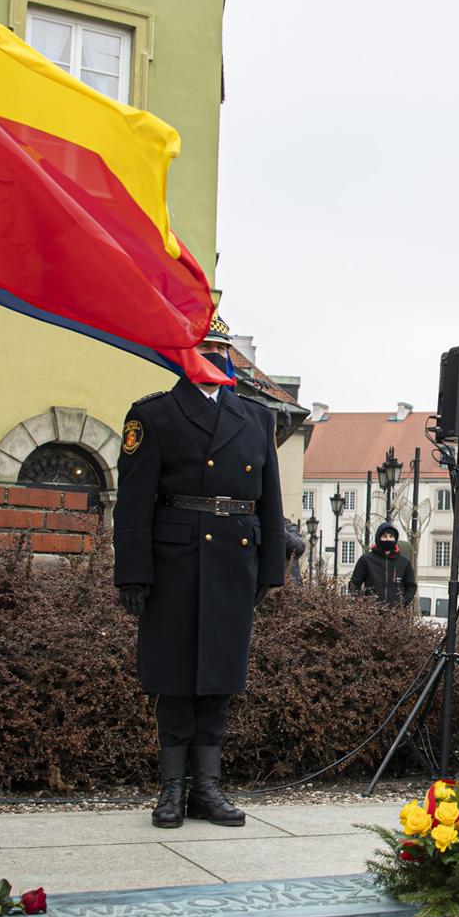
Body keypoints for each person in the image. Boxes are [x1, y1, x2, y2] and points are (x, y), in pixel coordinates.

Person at [115, 353, 288, 830]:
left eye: (219, 346)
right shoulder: (153, 414)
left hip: (234, 559)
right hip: (174, 560)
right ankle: (172, 789)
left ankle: (207, 789)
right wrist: (133, 571)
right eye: (203, 344)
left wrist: (271, 567)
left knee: (219, 677)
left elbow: (269, 497)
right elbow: (132, 502)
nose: (212, 355)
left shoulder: (256, 416)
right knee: (173, 676)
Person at [348, 522, 416, 608]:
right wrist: (364, 603)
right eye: (384, 536)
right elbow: (353, 585)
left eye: (391, 536)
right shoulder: (366, 560)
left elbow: (411, 586)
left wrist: (402, 603)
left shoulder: (404, 562)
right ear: (378, 538)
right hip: (371, 614)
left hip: (396, 616)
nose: (388, 539)